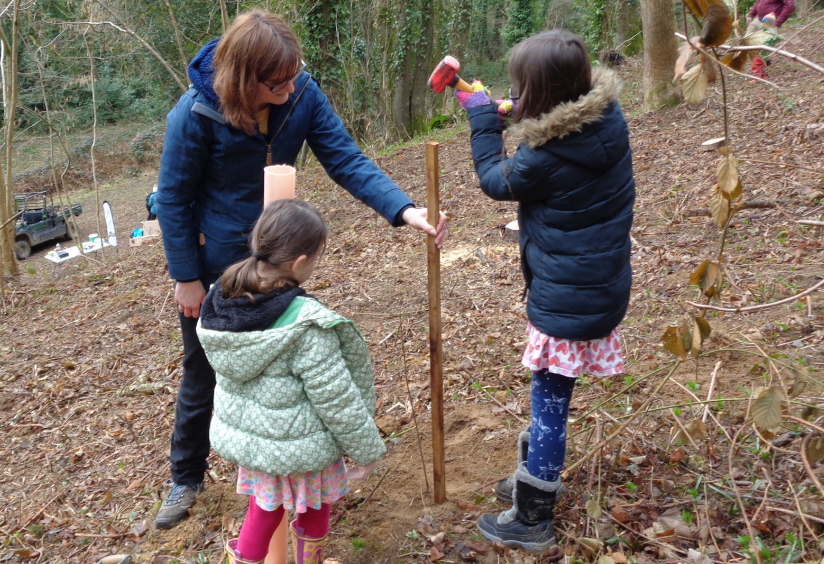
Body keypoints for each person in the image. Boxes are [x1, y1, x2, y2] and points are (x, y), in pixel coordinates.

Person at [154, 9, 446, 530]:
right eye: (276, 83)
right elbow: (173, 200)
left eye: (293, 75)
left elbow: (346, 159)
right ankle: (186, 476)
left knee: (281, 375)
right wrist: (186, 276)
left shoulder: (302, 93)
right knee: (203, 371)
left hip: (279, 259)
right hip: (218, 269)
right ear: (245, 81)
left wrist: (404, 209)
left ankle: (276, 479)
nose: (290, 88)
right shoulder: (194, 114)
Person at [454, 30, 634, 552]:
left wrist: (484, 121)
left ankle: (534, 515)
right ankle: (535, 473)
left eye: (520, 87)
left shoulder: (544, 158)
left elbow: (496, 180)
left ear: (540, 93)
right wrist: (510, 107)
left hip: (568, 296)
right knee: (548, 390)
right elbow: (555, 122)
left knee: (550, 400)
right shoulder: (604, 119)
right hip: (595, 284)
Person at [196, 199, 383, 564]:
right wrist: (366, 451)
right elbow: (337, 399)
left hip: (256, 445)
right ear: (300, 263)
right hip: (304, 447)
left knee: (262, 512)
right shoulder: (307, 325)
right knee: (314, 509)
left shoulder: (224, 299)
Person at [748, 0, 793, 80]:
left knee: (760, 48)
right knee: (747, 42)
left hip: (770, 22)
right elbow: (759, 1)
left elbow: (789, 6)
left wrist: (777, 23)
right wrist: (751, 14)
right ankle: (765, 61)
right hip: (758, 20)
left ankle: (759, 75)